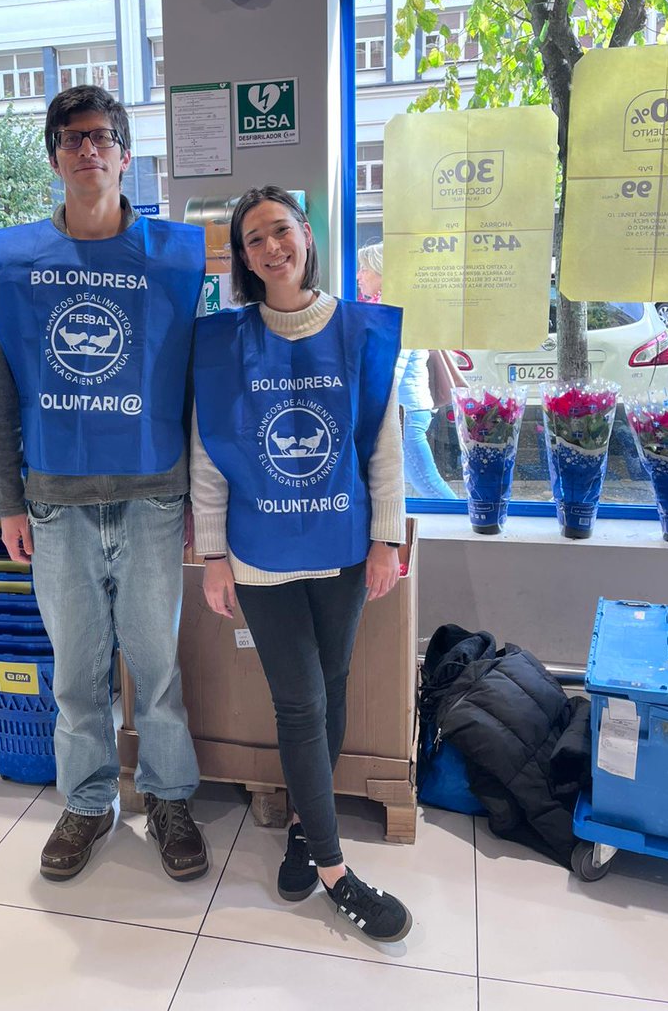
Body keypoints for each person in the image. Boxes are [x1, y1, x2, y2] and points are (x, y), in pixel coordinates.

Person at [0, 85, 208, 884]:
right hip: (55, 504)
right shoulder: (13, 265)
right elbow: (1, 390)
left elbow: (191, 388)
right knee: (75, 672)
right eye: (72, 138)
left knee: (157, 665)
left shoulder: (175, 259)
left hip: (152, 497)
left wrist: (196, 505)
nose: (87, 150)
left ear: (125, 155)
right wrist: (8, 499)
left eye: (101, 136)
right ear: (54, 156)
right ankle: (86, 801)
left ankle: (170, 796)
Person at [190, 186, 413, 943]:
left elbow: (381, 443)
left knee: (332, 686)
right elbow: (208, 460)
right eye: (254, 239)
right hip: (259, 554)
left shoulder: (360, 333)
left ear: (306, 234)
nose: (271, 247)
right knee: (299, 702)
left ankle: (302, 829)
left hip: (343, 547)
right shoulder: (223, 344)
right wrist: (213, 556)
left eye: (280, 230)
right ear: (244, 258)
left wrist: (387, 539)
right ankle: (334, 870)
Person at [358, 243, 459, 500]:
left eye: (364, 269)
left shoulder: (396, 312)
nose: (359, 276)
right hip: (408, 408)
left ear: (382, 273)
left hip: (405, 412)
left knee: (426, 481)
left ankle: (462, 523)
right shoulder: (393, 309)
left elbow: (392, 368)